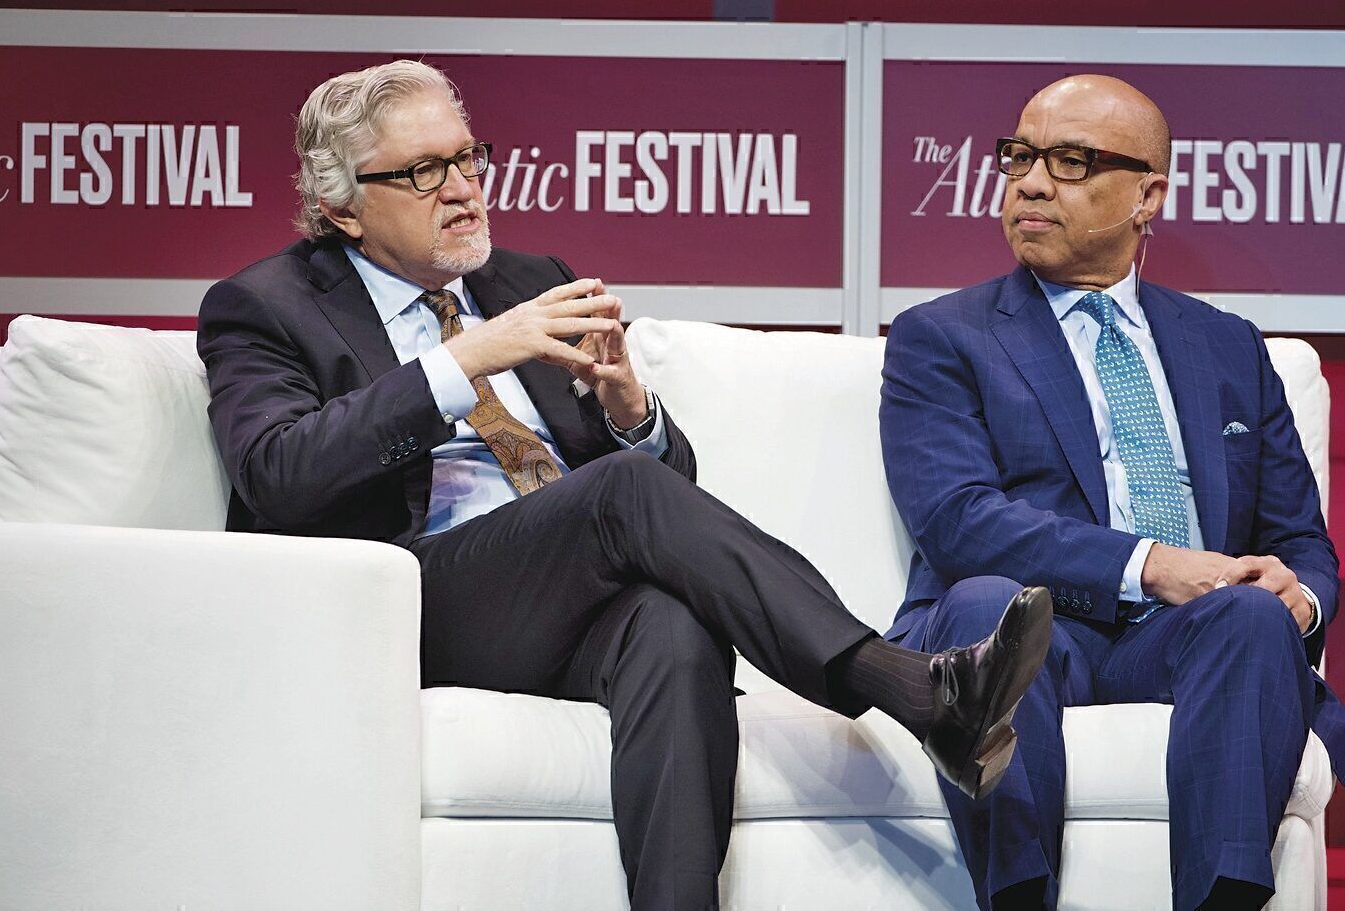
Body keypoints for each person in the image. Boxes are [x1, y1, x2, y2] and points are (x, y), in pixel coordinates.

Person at [196, 59, 1054, 911]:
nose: (460, 188)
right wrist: (460, 365)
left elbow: (667, 505)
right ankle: (909, 687)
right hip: (410, 603)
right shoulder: (266, 305)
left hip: (554, 601)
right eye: (422, 172)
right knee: (617, 495)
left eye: (466, 157)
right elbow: (277, 475)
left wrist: (630, 413)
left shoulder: (525, 280)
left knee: (674, 624)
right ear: (342, 206)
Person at [879, 74, 1345, 911]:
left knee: (1252, 614)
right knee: (988, 605)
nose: (1031, 183)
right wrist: (1152, 564)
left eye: (1070, 161)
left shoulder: (1229, 347)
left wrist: (1299, 597)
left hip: (1185, 640)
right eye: (1019, 156)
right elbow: (957, 521)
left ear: (1148, 197)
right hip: (1036, 627)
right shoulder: (943, 337)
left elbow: (1299, 540)